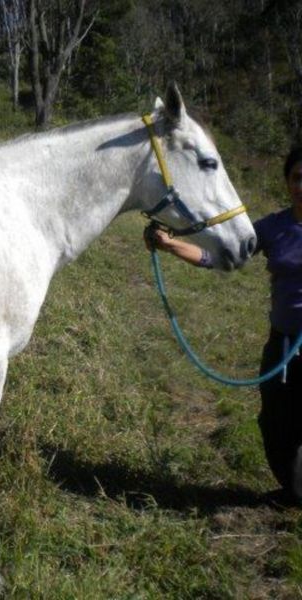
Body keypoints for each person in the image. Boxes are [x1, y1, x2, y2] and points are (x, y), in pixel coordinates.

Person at [146, 147, 302, 499]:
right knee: (276, 425)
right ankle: (294, 492)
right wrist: (170, 245)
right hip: (282, 344)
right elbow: (219, 258)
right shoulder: (274, 227)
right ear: (287, 182)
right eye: (297, 178)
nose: (301, 186)